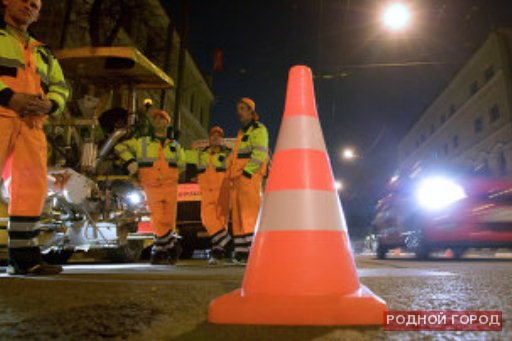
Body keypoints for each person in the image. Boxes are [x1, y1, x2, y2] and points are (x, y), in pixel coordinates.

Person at [0, 0, 69, 275]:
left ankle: (24, 257)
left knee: (32, 188)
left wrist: (50, 104)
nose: (30, 5)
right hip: (3, 115)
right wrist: (9, 97)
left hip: (31, 125)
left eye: (36, 5)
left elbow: (61, 87)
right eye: (26, 0)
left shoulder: (43, 52)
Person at [115, 109, 185, 265]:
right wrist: (131, 163)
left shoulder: (175, 146)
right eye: (156, 119)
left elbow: (182, 164)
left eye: (162, 119)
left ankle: (159, 252)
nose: (158, 121)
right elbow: (120, 147)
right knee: (157, 218)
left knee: (168, 221)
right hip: (151, 186)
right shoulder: (142, 142)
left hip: (170, 187)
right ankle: (172, 246)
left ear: (168, 123)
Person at [229, 98, 268, 264]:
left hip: (248, 177)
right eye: (238, 109)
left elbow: (259, 153)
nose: (240, 112)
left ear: (252, 112)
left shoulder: (258, 129)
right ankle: (241, 252)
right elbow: (237, 156)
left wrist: (247, 173)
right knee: (238, 216)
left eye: (243, 109)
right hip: (238, 178)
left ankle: (255, 251)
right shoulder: (242, 132)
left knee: (249, 214)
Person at [187, 126, 232, 265]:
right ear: (209, 138)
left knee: (221, 222)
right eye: (213, 135)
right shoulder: (200, 154)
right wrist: (191, 175)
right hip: (206, 192)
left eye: (218, 136)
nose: (215, 138)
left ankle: (218, 253)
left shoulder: (229, 154)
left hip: (222, 192)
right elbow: (188, 161)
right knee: (207, 219)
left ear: (222, 139)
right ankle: (228, 242)